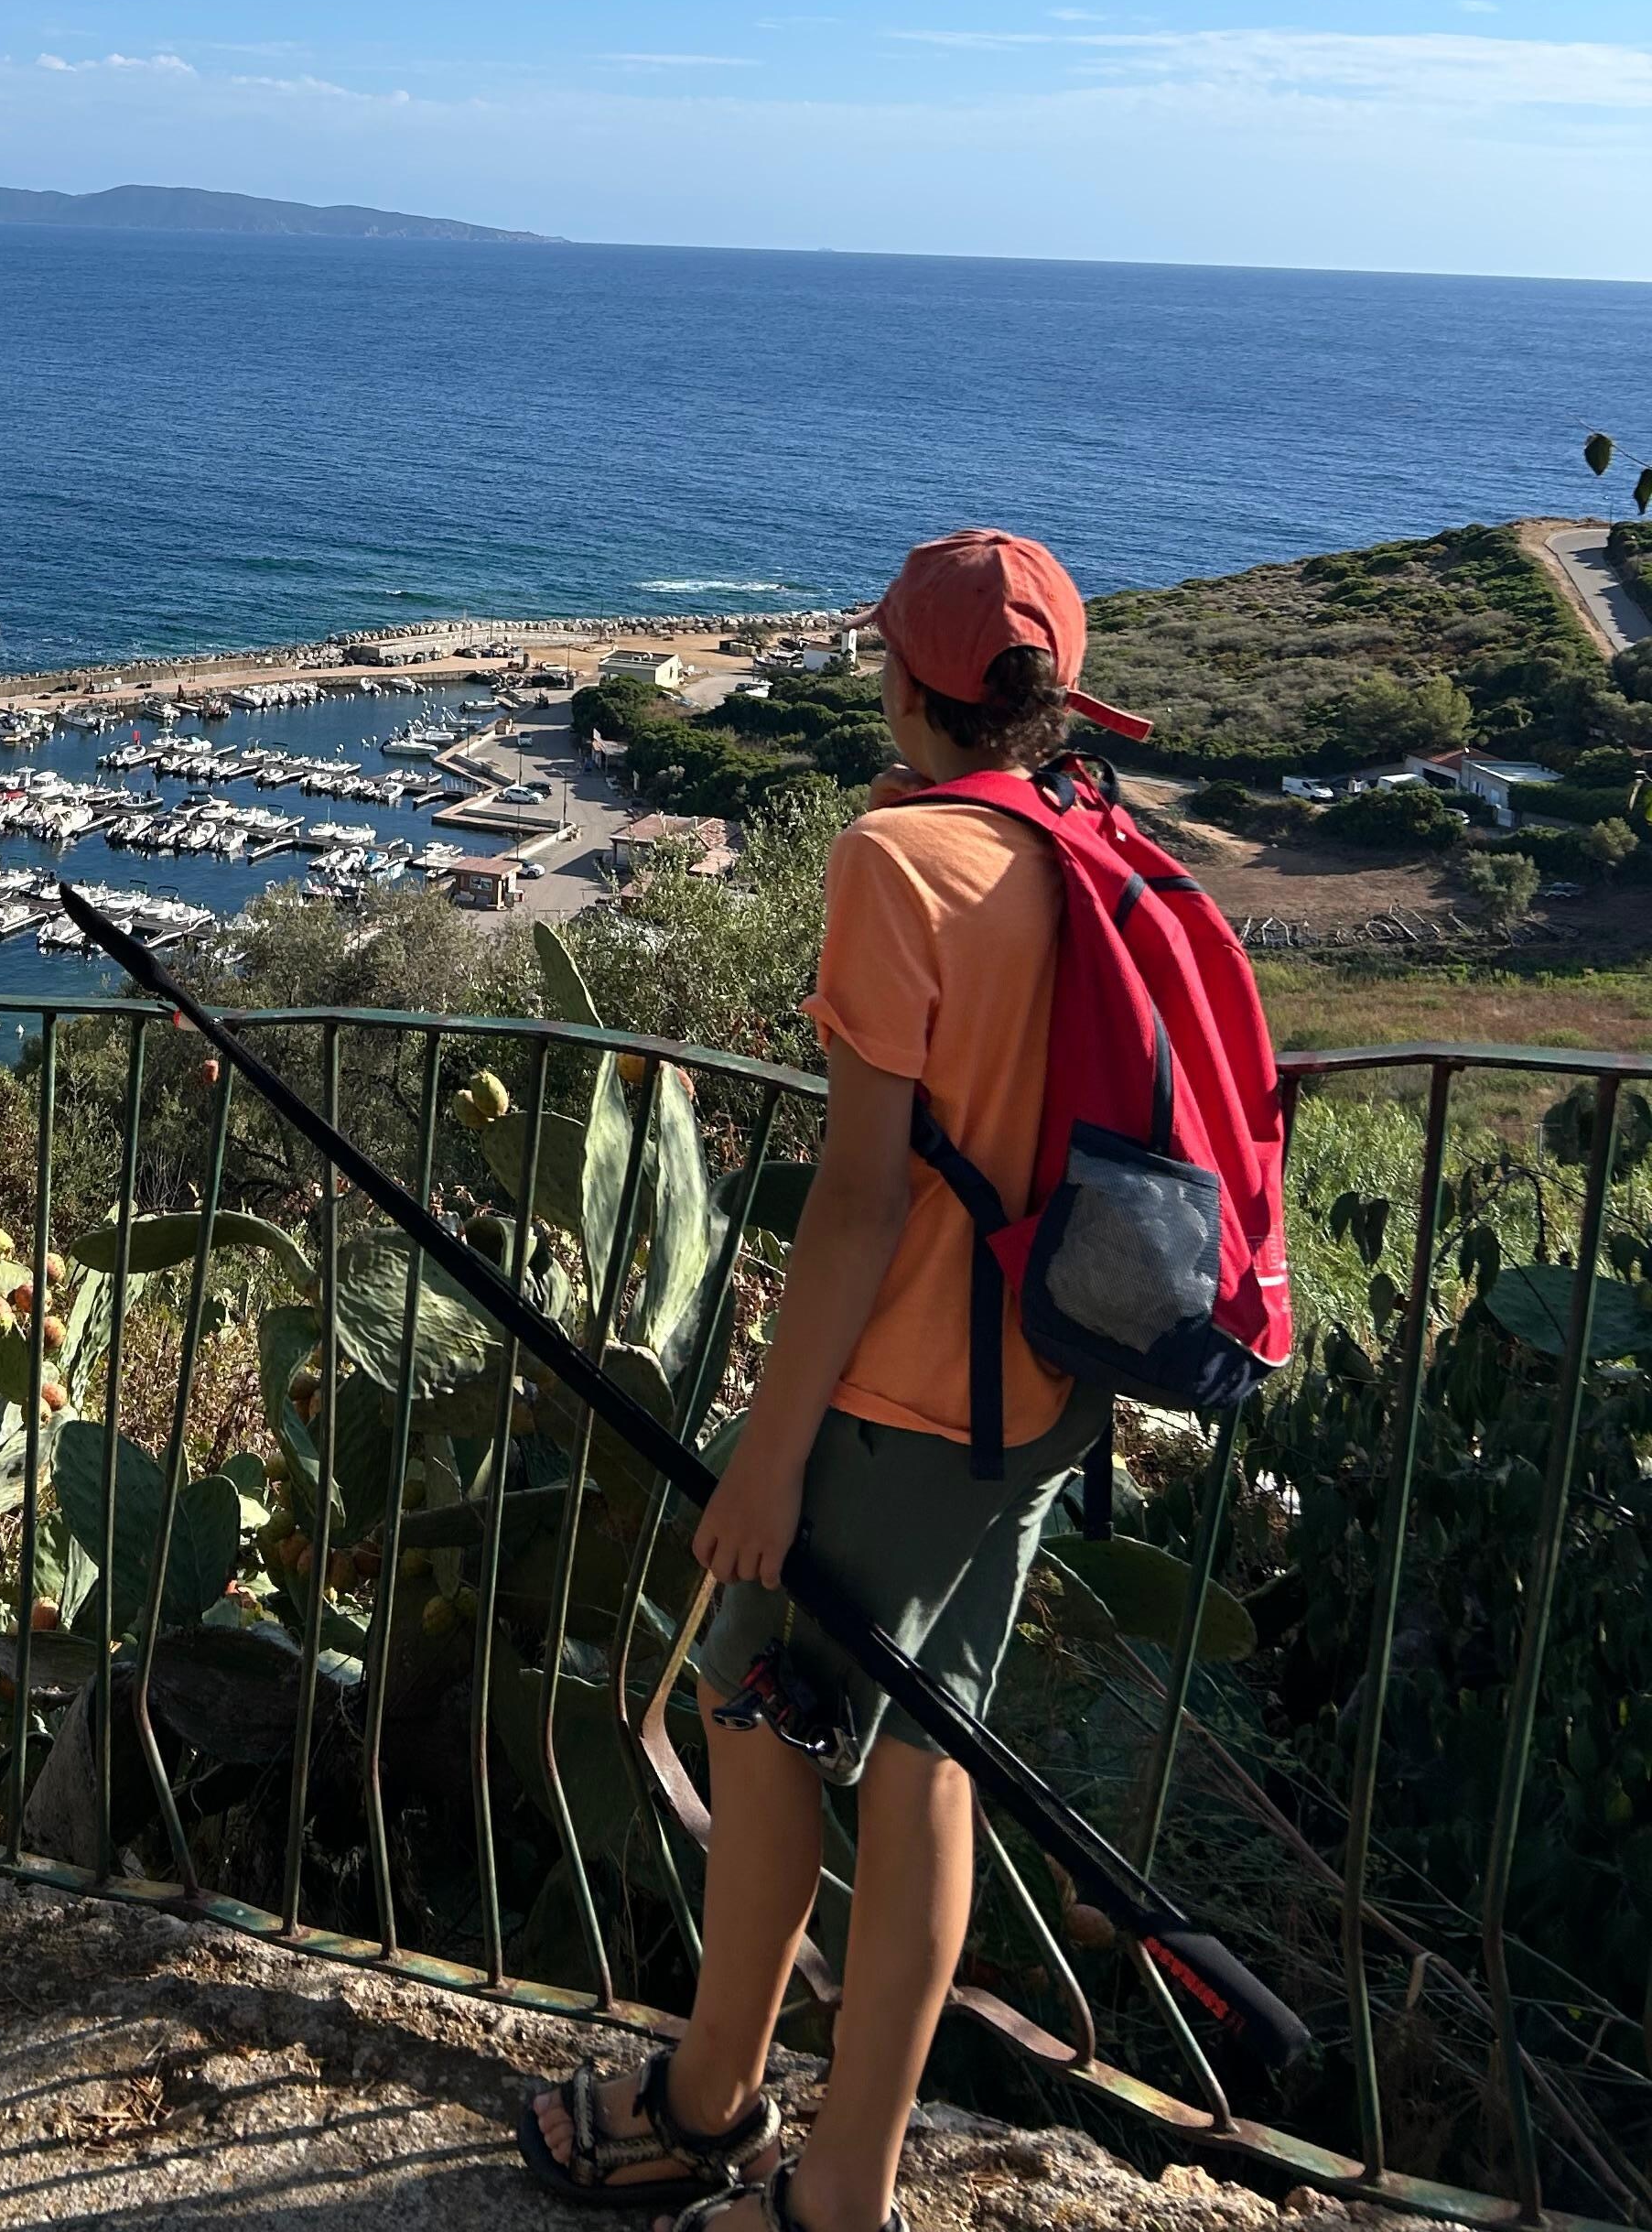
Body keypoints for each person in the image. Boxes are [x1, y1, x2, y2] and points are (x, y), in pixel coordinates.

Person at [523, 529, 1133, 2232]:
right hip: (1043, 1393)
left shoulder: (898, 860)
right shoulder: (1084, 839)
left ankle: (709, 2109)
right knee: (928, 1752)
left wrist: (767, 1460)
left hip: (897, 1402)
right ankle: (845, 2185)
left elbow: (860, 1201)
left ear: (904, 680)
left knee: (754, 1709)